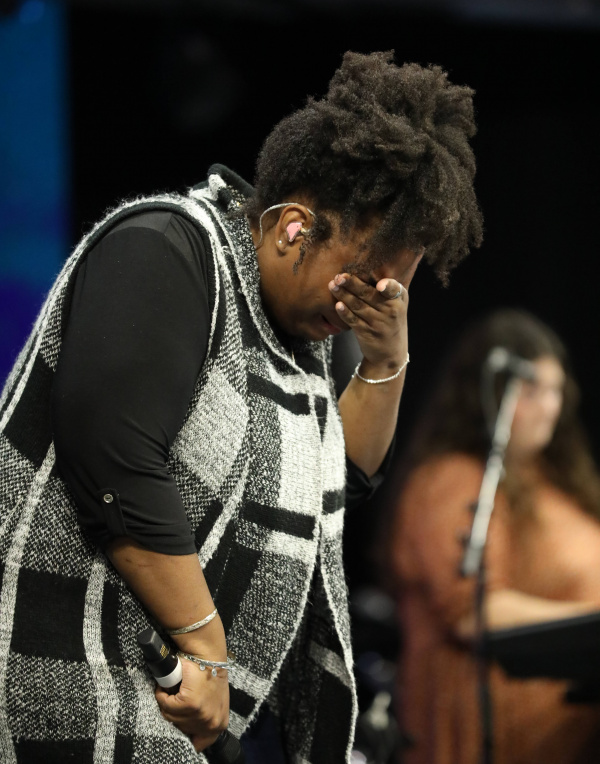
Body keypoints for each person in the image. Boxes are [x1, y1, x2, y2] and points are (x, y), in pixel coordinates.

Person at [0, 51, 482, 764]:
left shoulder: (309, 337)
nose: (367, 305)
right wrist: (206, 644)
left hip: (169, 704)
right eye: (365, 279)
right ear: (293, 228)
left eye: (390, 291)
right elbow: (113, 460)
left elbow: (336, 486)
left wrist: (386, 362)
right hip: (55, 682)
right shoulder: (165, 249)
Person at [387, 308, 600, 764]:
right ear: (486, 394)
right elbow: (472, 611)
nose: (550, 407)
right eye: (531, 390)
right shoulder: (453, 482)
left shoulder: (552, 479)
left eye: (556, 390)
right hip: (499, 726)